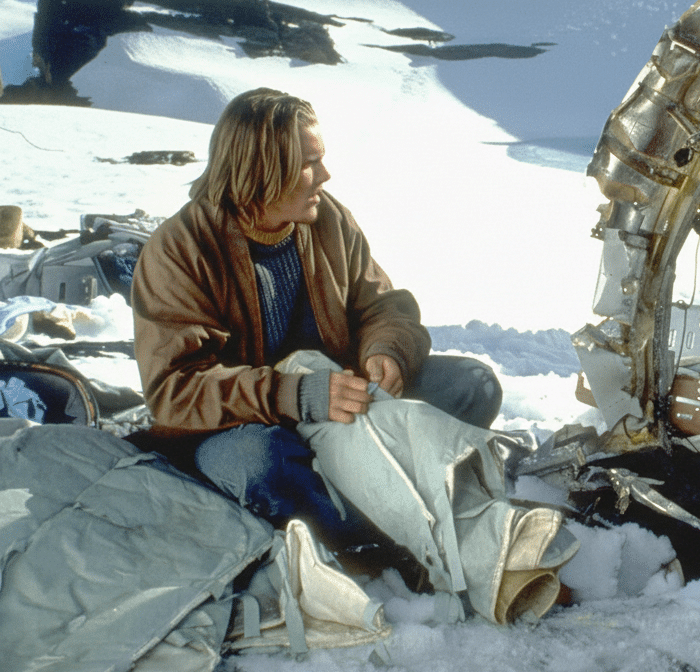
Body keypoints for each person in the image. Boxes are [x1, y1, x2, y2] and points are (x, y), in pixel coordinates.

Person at [131, 87, 502, 562]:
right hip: (243, 428)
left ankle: (363, 510)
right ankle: (377, 542)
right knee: (260, 467)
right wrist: (296, 395)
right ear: (262, 168)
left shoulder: (327, 219)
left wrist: (385, 351)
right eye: (310, 162)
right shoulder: (180, 251)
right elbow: (174, 391)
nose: (325, 175)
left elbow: (382, 305)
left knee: (474, 386)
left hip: (344, 407)